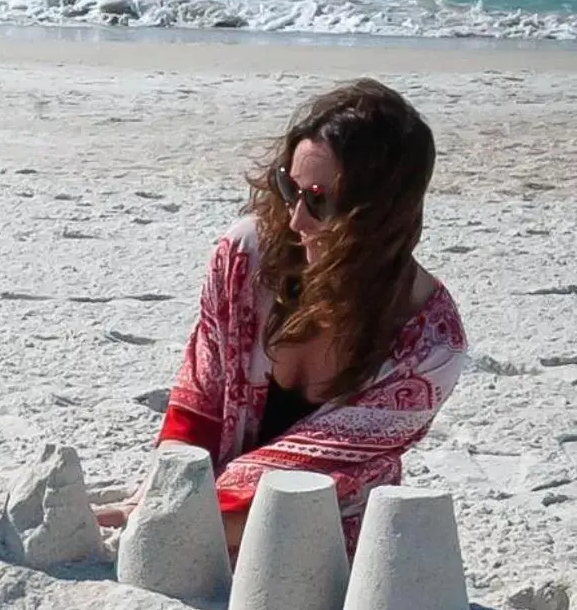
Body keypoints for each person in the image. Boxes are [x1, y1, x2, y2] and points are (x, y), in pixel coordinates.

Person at [100, 79, 467, 555]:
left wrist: (167, 515)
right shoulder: (245, 258)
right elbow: (198, 405)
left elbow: (301, 477)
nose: (295, 220)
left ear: (379, 216)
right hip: (208, 507)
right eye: (288, 188)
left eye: (318, 199)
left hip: (318, 545)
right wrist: (163, 488)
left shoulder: (429, 347)